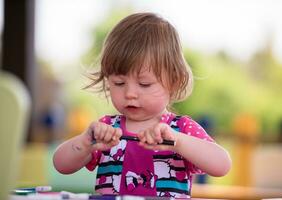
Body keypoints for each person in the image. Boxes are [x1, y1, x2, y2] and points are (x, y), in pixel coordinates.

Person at [53, 12, 231, 198]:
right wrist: (85, 142)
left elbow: (222, 165)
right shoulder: (107, 129)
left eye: (144, 84)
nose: (130, 93)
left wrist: (178, 142)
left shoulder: (180, 129)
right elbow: (61, 165)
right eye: (119, 83)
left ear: (174, 81)